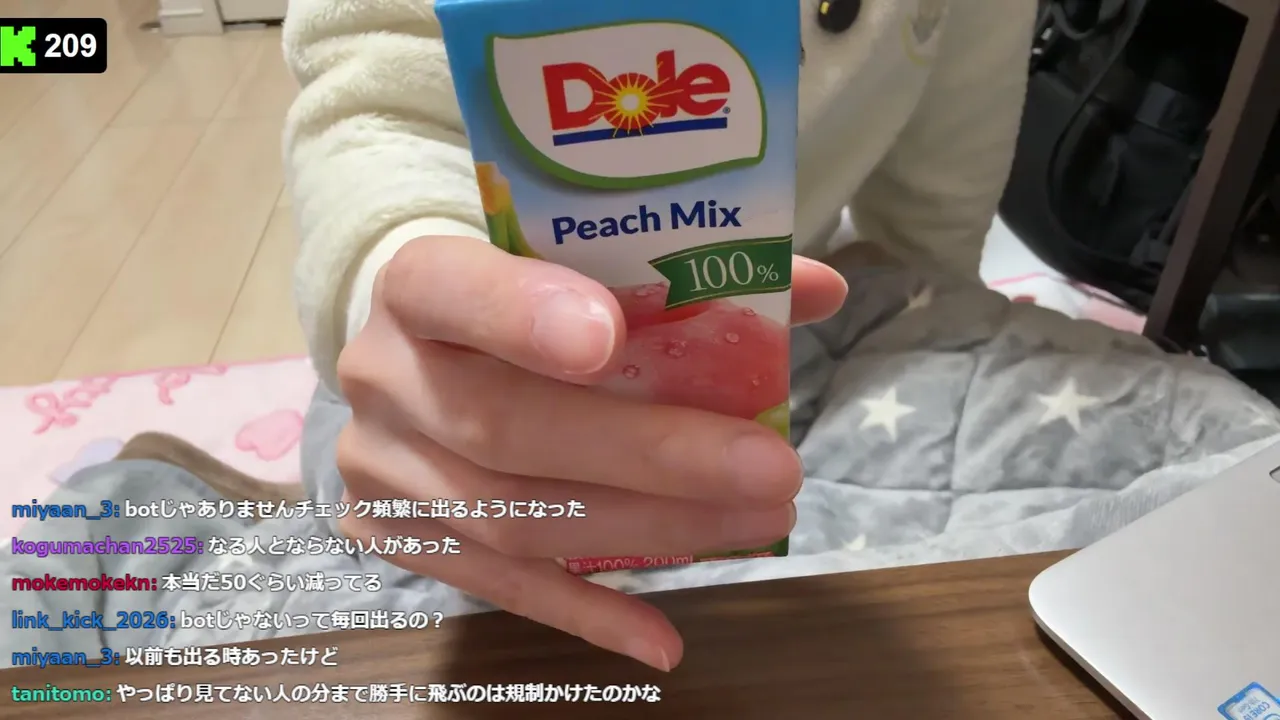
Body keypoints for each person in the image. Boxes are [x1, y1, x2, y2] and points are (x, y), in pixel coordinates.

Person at [280, 0, 1038, 671]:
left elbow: (938, 197)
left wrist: (934, 315)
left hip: (783, 323)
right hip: (453, 395)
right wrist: (411, 302)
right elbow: (377, 107)